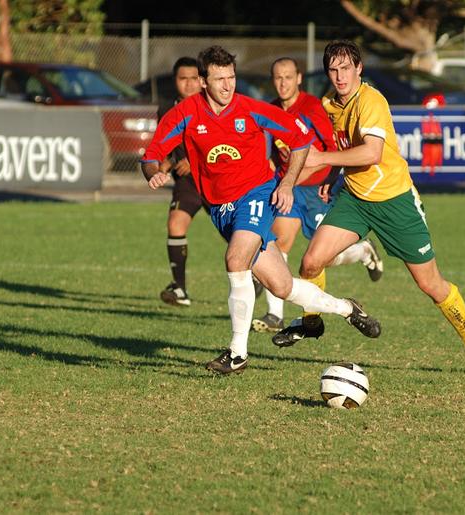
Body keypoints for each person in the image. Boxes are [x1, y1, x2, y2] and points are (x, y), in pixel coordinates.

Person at [141, 45, 381, 375]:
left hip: (257, 194)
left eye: (232, 77)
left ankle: (237, 353)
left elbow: (300, 141)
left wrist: (285, 185)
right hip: (220, 209)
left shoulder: (251, 109)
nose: (227, 85)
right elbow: (150, 156)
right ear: (203, 81)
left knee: (236, 260)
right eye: (219, 79)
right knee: (281, 286)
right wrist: (155, 173)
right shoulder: (184, 114)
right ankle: (346, 308)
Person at [274, 40, 465, 375]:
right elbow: (344, 147)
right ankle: (311, 323)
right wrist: (333, 174)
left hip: (394, 202)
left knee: (430, 284)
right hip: (355, 200)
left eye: (346, 68)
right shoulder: (330, 103)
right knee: (312, 261)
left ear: (359, 69)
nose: (339, 75)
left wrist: (323, 160)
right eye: (333, 69)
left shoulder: (371, 100)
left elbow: (371, 153)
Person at [252, 56, 384, 337]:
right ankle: (275, 314)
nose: (283, 83)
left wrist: (329, 178)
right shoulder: (273, 110)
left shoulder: (312, 107)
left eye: (288, 77)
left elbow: (332, 148)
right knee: (280, 243)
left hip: (315, 187)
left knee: (320, 257)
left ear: (299, 78)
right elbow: (276, 152)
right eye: (277, 77)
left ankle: (362, 251)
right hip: (289, 189)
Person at [158, 57, 204, 307]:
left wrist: (195, 161)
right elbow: (166, 146)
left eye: (194, 78)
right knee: (176, 224)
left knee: (236, 236)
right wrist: (161, 168)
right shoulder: (167, 110)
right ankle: (180, 289)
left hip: (216, 180)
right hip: (187, 182)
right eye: (182, 78)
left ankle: (257, 275)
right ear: (175, 81)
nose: (188, 84)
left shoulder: (211, 106)